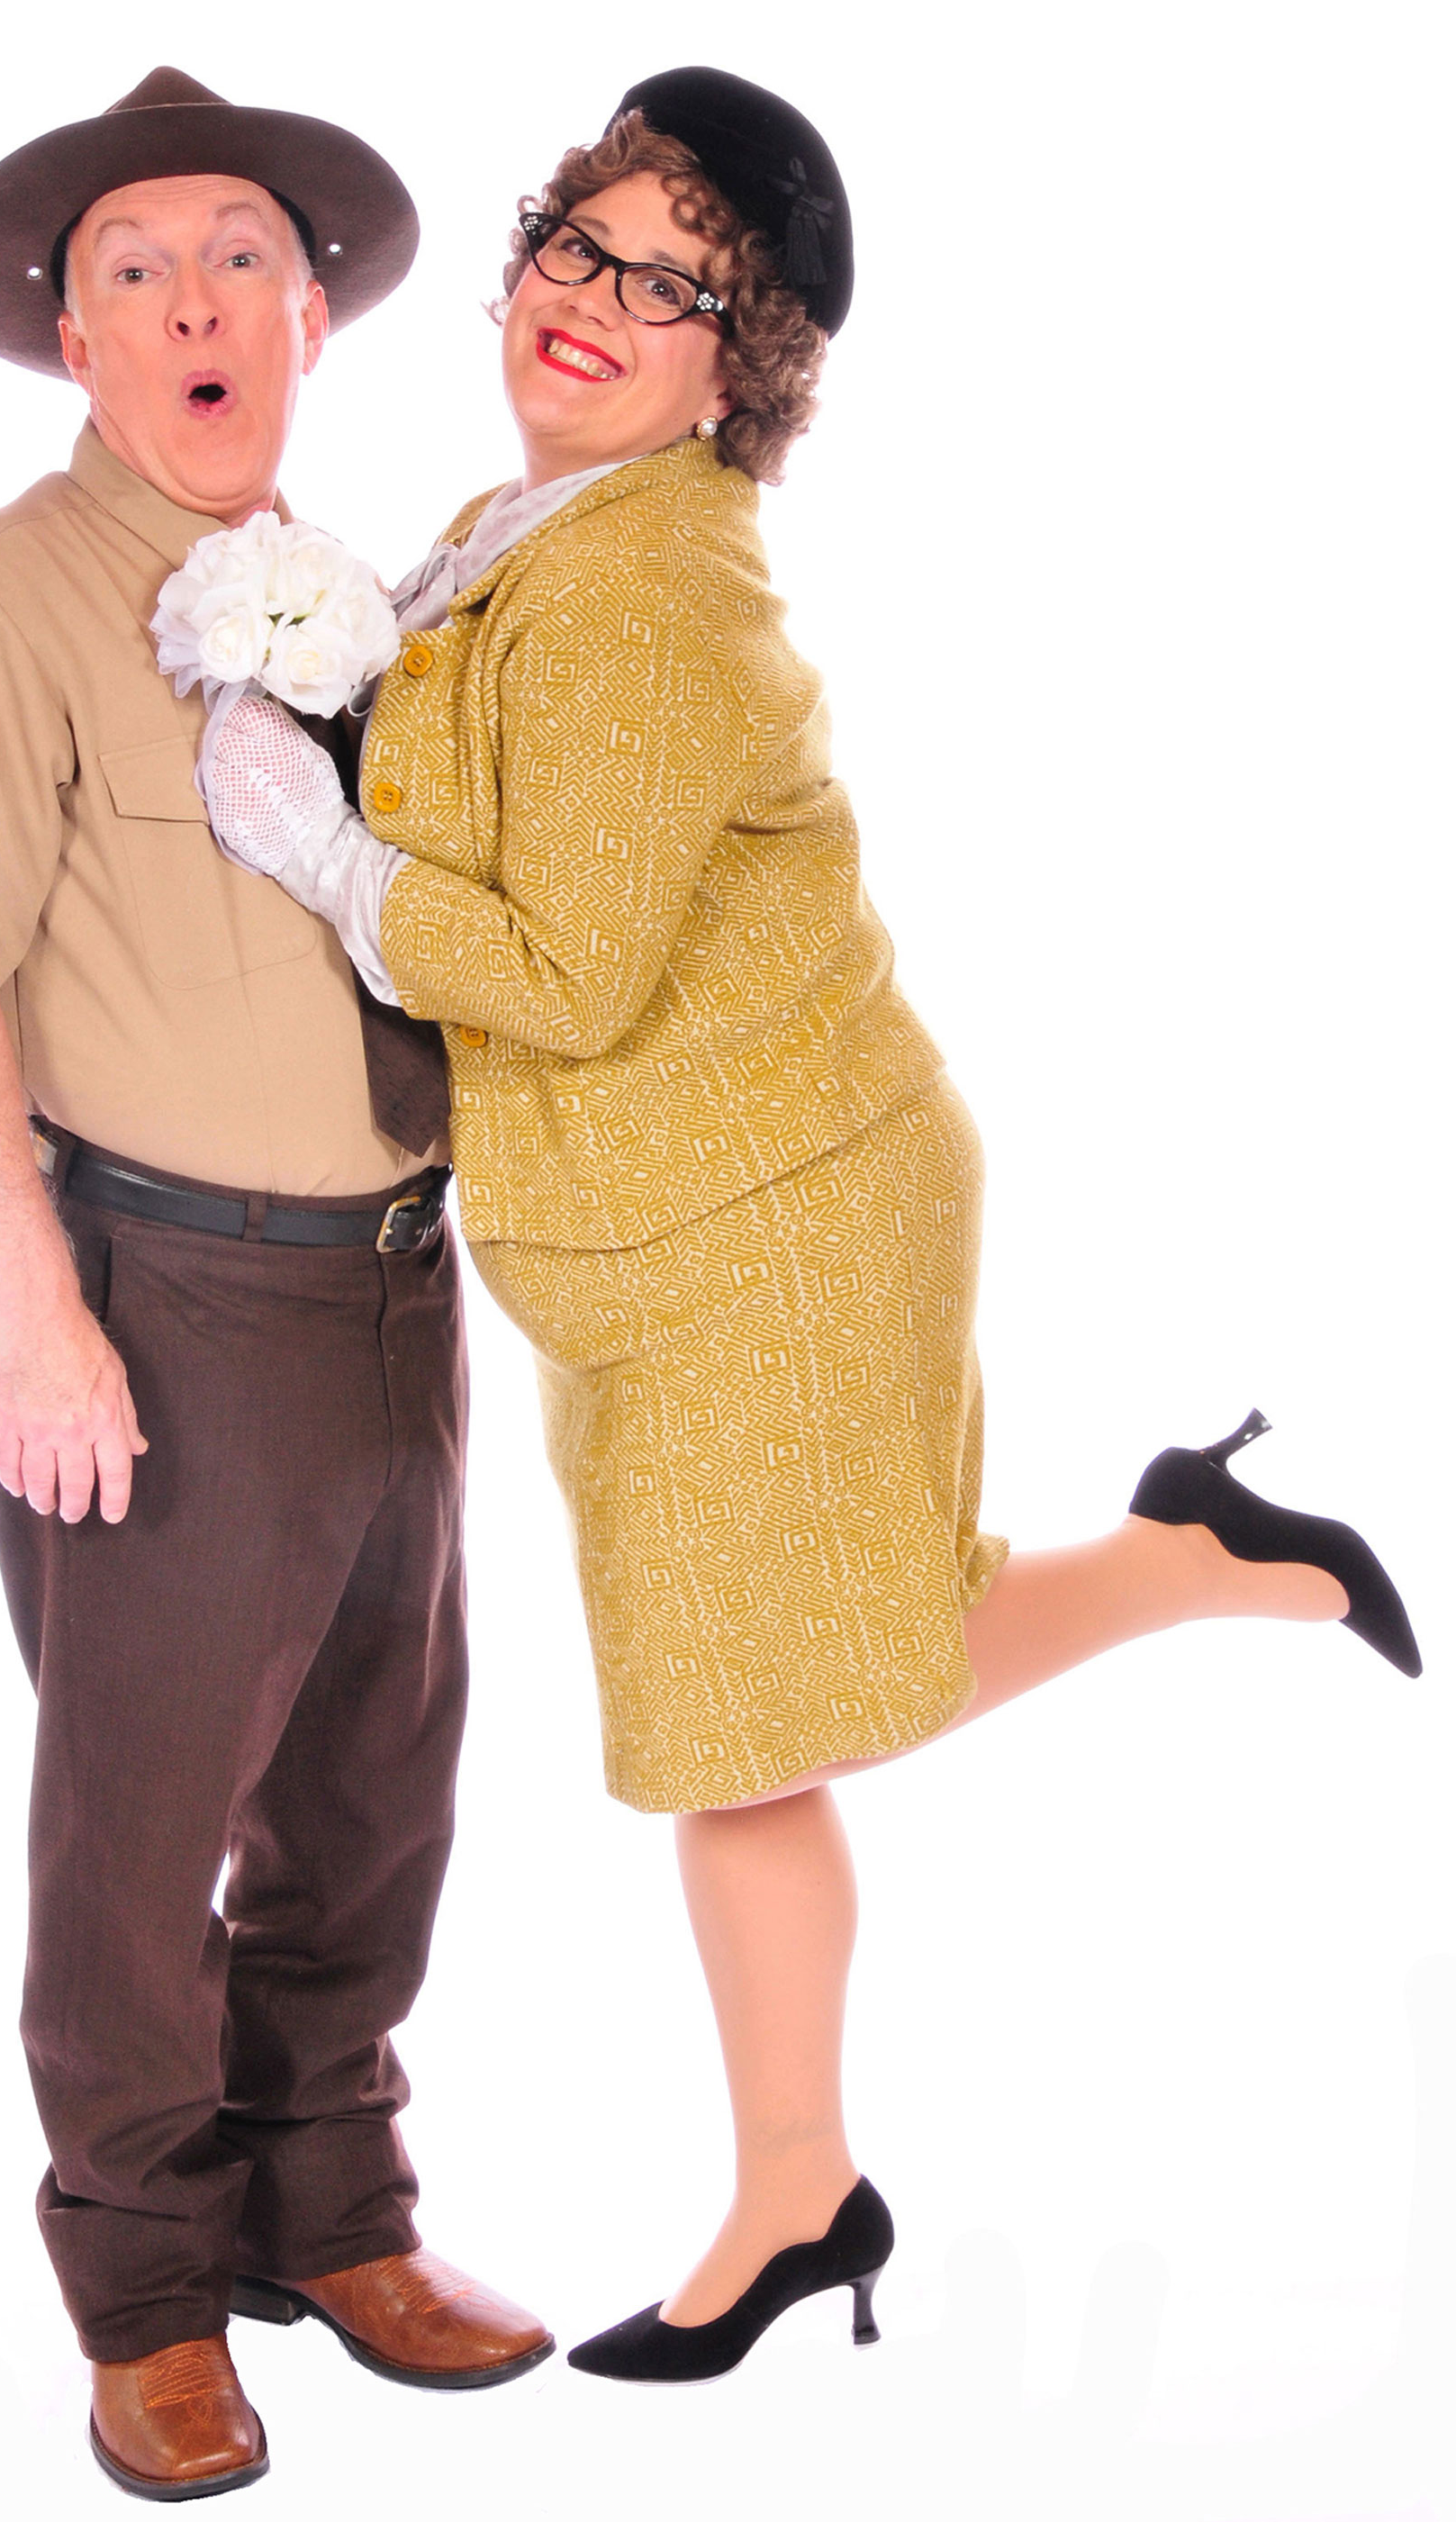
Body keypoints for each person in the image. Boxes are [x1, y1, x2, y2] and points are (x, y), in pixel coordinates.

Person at [188, 60, 1424, 2388]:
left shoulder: (645, 586)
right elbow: (511, 804)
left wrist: (317, 849)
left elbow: (560, 967)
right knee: (767, 1713)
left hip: (764, 1223)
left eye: (677, 289)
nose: (598, 303)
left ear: (734, 372)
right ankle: (811, 2165)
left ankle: (811, 2160)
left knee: (757, 1719)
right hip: (677, 1222)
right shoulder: (532, 516)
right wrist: (326, 710)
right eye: (585, 243)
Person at [0, 66, 551, 2503]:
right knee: (143, 1840)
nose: (198, 299)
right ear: (73, 338)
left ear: (318, 313)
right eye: (138, 269)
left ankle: (329, 2213)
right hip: (165, 1298)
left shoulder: (357, 601)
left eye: (242, 254)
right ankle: (144, 2291)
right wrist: (37, 1307)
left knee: (379, 1794)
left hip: (389, 1288)